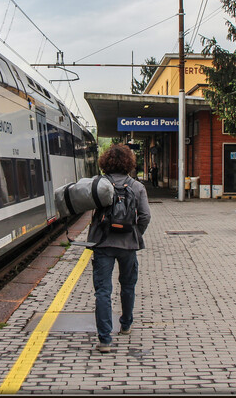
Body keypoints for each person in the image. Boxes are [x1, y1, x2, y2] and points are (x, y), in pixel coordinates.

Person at [88, 144, 151, 352]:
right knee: (128, 285)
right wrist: (135, 233)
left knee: (103, 291)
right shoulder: (137, 187)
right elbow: (145, 216)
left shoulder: (99, 184)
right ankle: (125, 325)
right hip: (128, 245)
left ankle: (104, 339)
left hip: (103, 244)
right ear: (129, 163)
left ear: (106, 162)